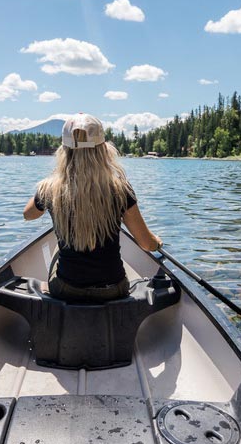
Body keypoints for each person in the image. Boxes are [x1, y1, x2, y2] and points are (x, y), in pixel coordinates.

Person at [23, 113, 162, 302]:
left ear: (64, 151)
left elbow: (28, 215)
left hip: (66, 289)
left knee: (57, 246)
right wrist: (156, 242)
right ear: (103, 149)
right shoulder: (120, 189)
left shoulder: (50, 188)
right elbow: (147, 244)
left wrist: (50, 189)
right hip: (114, 289)